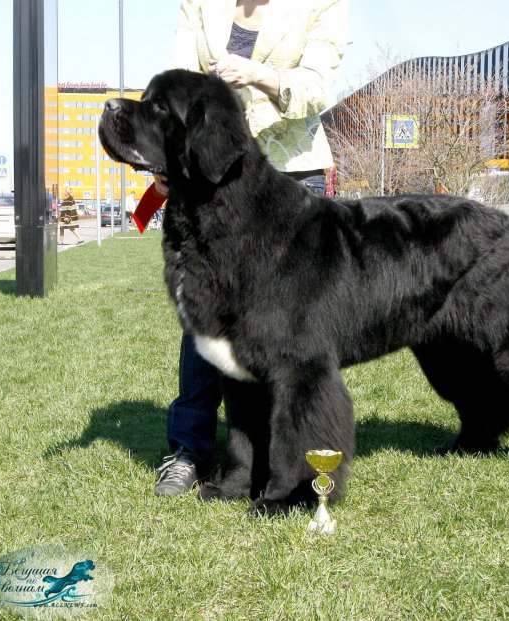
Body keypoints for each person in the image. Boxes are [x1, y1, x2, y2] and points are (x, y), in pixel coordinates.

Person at [153, 0, 348, 496]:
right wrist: (166, 150)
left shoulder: (321, 5)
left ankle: (292, 465)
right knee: (205, 315)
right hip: (210, 175)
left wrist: (264, 75)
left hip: (287, 172)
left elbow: (319, 87)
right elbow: (177, 81)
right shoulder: (198, 4)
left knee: (290, 339)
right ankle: (189, 451)